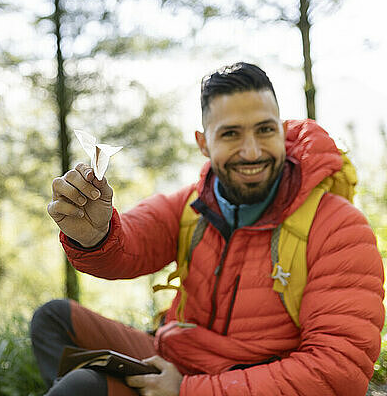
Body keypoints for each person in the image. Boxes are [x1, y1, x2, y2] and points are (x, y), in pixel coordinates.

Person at [32, 62, 385, 395]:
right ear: (204, 143)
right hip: (181, 359)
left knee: (84, 387)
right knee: (54, 319)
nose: (252, 152)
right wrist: (95, 235)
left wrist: (188, 390)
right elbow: (131, 242)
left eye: (265, 129)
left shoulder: (338, 227)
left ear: (282, 127)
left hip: (247, 382)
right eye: (231, 134)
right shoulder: (193, 205)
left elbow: (338, 371)